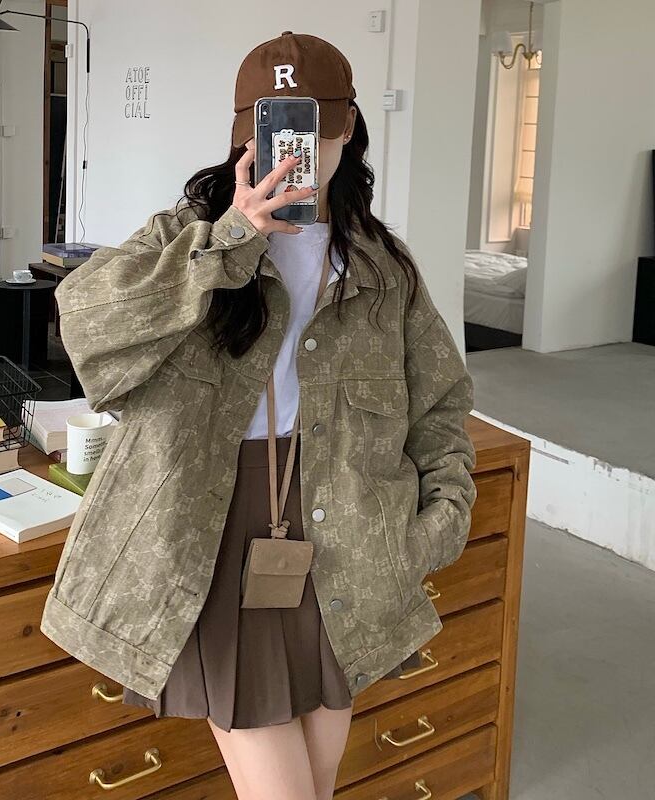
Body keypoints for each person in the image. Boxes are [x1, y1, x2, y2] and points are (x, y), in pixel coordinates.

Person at [40, 31, 477, 800]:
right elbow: (86, 326)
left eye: (312, 128)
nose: (294, 150)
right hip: (212, 523)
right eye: (272, 128)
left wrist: (441, 517)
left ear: (347, 127)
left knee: (317, 783)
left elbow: (439, 403)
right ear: (245, 133)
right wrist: (233, 238)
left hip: (345, 525)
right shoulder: (186, 239)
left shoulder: (383, 268)